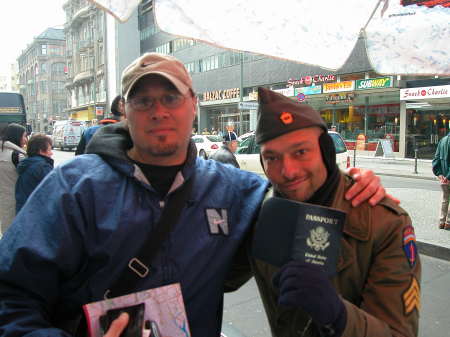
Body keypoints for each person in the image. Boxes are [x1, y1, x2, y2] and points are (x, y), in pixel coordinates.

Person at [0, 53, 385, 337]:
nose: (158, 111)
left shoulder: (237, 190)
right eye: (143, 100)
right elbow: (10, 297)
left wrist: (349, 181)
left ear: (193, 105)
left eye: (171, 98)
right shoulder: (72, 189)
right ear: (125, 111)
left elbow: (299, 186)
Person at [248, 87, 421, 337]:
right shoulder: (260, 215)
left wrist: (339, 316)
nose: (288, 171)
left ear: (326, 153)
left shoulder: (384, 222)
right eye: (272, 158)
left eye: (301, 152)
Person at [15, 133, 54, 213]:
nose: (51, 153)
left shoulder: (27, 164)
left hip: (24, 211)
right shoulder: (42, 167)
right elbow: (53, 191)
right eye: (49, 150)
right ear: (41, 151)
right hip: (36, 213)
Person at [0, 123, 27, 235]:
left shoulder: (3, 152)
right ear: (17, 137)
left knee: (7, 231)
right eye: (24, 136)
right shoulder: (18, 156)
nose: (26, 140)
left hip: (4, 198)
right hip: (16, 200)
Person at [432, 132, 450, 229]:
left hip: (443, 177)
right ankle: (448, 222)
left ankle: (441, 221)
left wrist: (439, 174)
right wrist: (448, 176)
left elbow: (436, 159)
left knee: (445, 199)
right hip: (448, 177)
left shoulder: (442, 140)